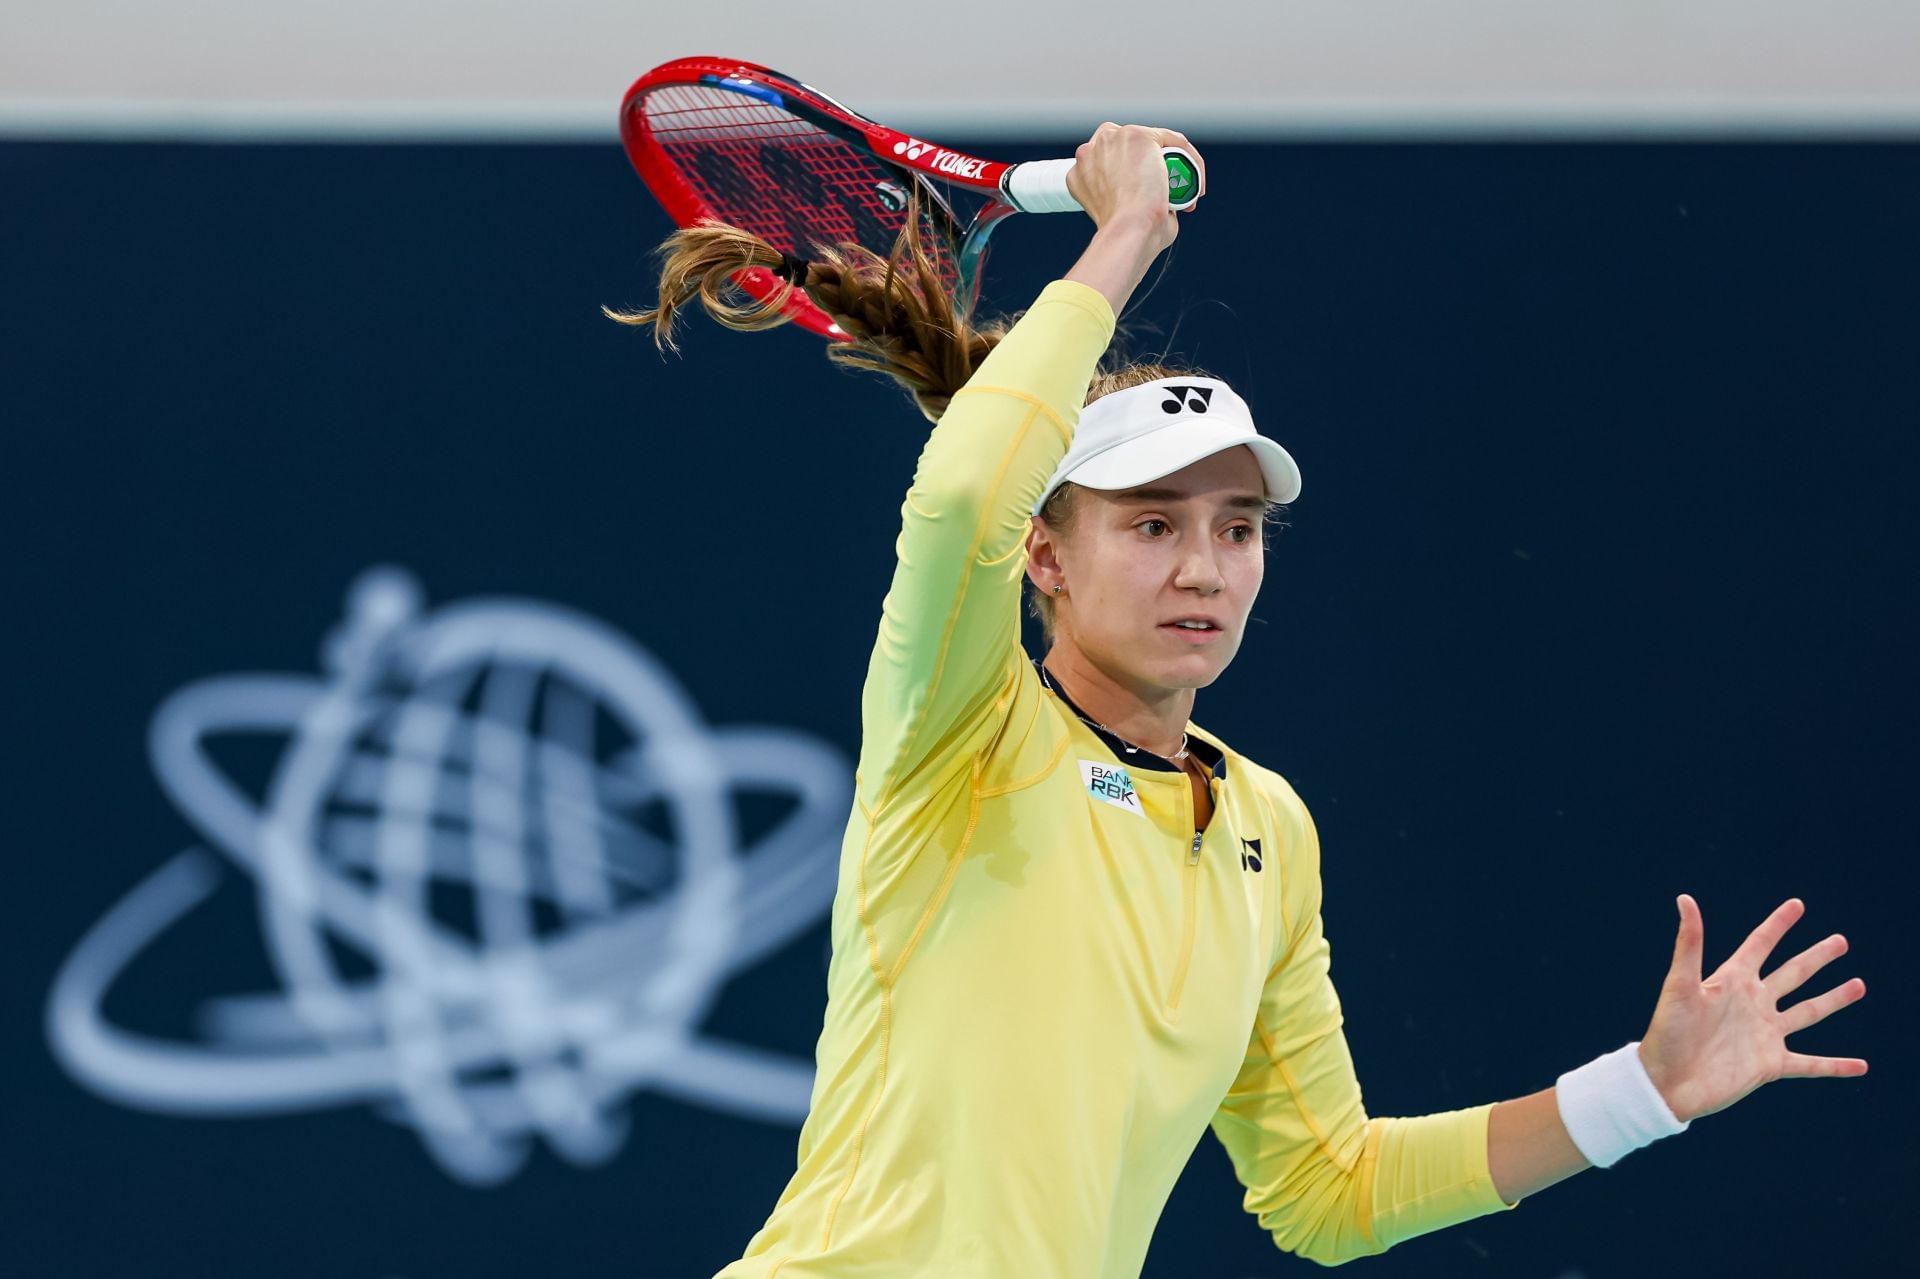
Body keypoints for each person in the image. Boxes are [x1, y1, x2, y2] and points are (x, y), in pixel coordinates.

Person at [614, 123, 1869, 1277]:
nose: (1205, 567)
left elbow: (1331, 1187)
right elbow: (958, 499)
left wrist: (1640, 1092)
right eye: (1152, 524)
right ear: (1045, 555)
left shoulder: (1271, 830)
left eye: (1239, 527)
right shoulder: (964, 724)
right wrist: (1120, 240)